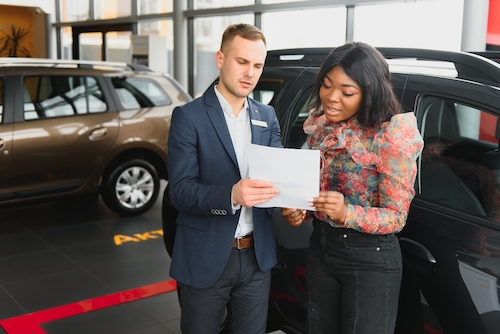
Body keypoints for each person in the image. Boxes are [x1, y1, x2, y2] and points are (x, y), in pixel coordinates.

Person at [281, 42, 424, 334]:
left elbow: (396, 216)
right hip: (321, 247)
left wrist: (347, 212)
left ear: (370, 92)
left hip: (370, 258)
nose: (332, 98)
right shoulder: (323, 126)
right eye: (326, 85)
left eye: (347, 92)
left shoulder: (390, 137)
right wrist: (302, 211)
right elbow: (316, 188)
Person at [167, 23, 282, 334]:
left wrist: (292, 202)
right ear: (220, 59)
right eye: (241, 62)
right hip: (206, 254)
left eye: (257, 65)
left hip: (257, 256)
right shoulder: (188, 117)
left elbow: (278, 176)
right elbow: (179, 191)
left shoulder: (266, 116)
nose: (250, 73)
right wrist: (231, 195)